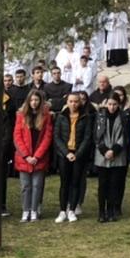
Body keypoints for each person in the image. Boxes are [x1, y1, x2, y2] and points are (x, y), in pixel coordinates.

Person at [13, 89, 53, 222]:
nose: (34, 103)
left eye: (36, 100)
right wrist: (26, 156)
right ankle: (26, 210)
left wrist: (37, 156)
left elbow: (47, 137)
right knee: (25, 186)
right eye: (31, 100)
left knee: (37, 186)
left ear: (40, 101)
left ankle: (34, 210)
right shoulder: (21, 115)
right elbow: (17, 136)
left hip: (39, 158)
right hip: (24, 157)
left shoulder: (46, 116)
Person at [53, 92, 93, 222]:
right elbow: (57, 137)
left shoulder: (85, 117)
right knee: (64, 183)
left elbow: (87, 138)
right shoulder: (61, 116)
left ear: (79, 103)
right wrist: (66, 153)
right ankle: (63, 210)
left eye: (76, 101)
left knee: (76, 182)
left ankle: (72, 210)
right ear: (67, 102)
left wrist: (77, 154)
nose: (73, 104)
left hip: (78, 155)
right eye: (71, 101)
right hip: (64, 154)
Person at [93, 93, 130, 221]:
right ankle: (101, 211)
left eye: (115, 104)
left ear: (118, 105)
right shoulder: (100, 116)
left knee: (115, 184)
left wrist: (114, 150)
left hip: (118, 155)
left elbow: (124, 136)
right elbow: (97, 135)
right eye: (110, 104)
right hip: (102, 154)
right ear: (106, 104)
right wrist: (105, 151)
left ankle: (112, 210)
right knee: (103, 184)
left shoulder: (124, 117)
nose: (112, 107)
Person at [104, 1, 130, 66]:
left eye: (118, 5)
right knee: (112, 45)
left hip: (120, 32)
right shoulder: (110, 14)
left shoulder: (123, 14)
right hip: (112, 33)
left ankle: (120, 60)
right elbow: (106, 24)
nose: (116, 7)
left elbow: (125, 23)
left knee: (120, 44)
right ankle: (111, 60)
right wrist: (113, 23)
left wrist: (117, 23)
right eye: (115, 5)